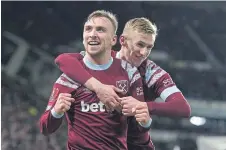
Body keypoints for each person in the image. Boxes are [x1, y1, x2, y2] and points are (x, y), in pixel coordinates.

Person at [55, 17, 192, 149]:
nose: (144, 52)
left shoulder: (151, 72)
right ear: (123, 41)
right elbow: (63, 60)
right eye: (140, 44)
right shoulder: (101, 59)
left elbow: (183, 108)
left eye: (149, 47)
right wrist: (98, 87)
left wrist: (143, 105)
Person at [39, 10, 152, 150]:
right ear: (83, 36)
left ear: (113, 40)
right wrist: (57, 111)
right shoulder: (69, 77)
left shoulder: (130, 73)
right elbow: (45, 128)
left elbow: (137, 130)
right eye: (88, 29)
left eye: (100, 30)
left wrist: (145, 121)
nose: (92, 34)